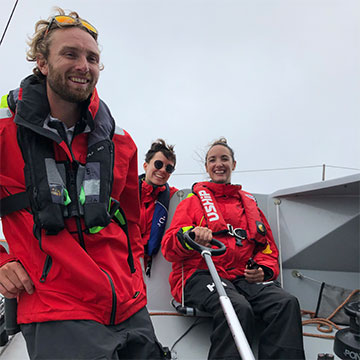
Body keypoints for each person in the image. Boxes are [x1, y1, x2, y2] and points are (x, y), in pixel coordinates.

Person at [0, 8, 166, 359]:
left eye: (92, 58)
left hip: (128, 304)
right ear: (42, 63)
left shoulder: (120, 142)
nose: (84, 66)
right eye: (70, 54)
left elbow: (132, 222)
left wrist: (133, 275)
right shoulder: (4, 131)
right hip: (55, 305)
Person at [162, 137, 305, 360]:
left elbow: (268, 250)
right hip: (200, 275)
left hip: (241, 279)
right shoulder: (192, 201)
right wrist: (192, 235)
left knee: (286, 303)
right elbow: (169, 246)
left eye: (224, 159)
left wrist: (263, 271)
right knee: (237, 308)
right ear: (207, 167)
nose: (219, 164)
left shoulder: (250, 206)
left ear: (233, 164)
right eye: (212, 160)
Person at [139, 139, 178, 276]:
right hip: (123, 261)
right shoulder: (126, 190)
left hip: (150, 268)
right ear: (145, 165)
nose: (162, 170)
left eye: (169, 168)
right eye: (158, 164)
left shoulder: (175, 198)